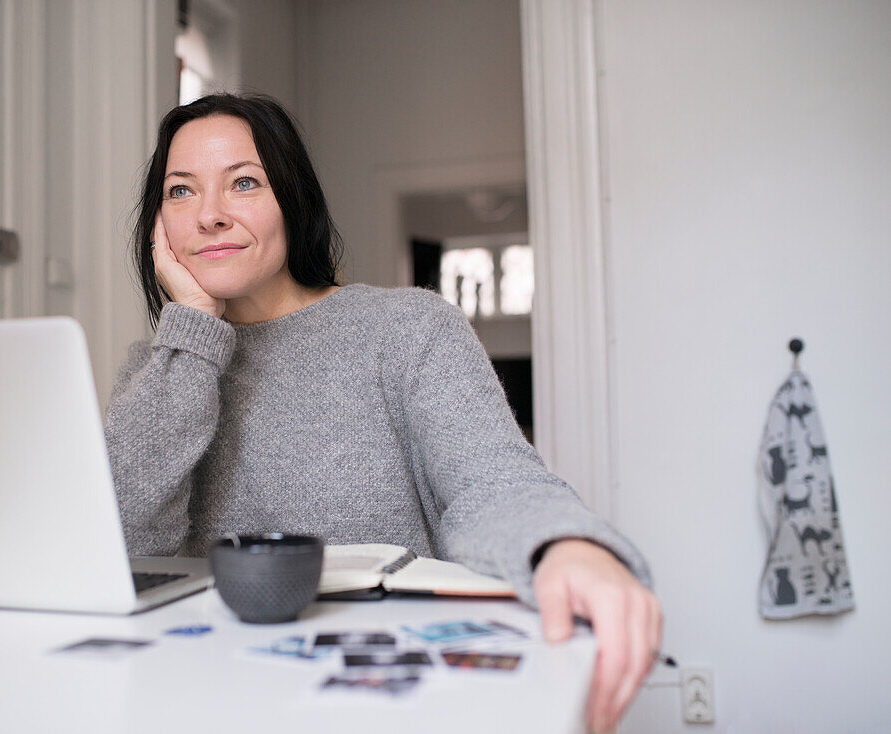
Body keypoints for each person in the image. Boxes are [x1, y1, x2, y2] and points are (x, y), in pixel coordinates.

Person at [104, 93, 661, 733]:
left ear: (292, 200)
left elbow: (492, 483)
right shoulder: (162, 368)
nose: (209, 216)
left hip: (384, 702)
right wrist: (194, 333)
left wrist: (563, 546)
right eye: (180, 192)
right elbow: (123, 552)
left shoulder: (408, 328)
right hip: (204, 698)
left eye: (245, 182)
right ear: (157, 227)